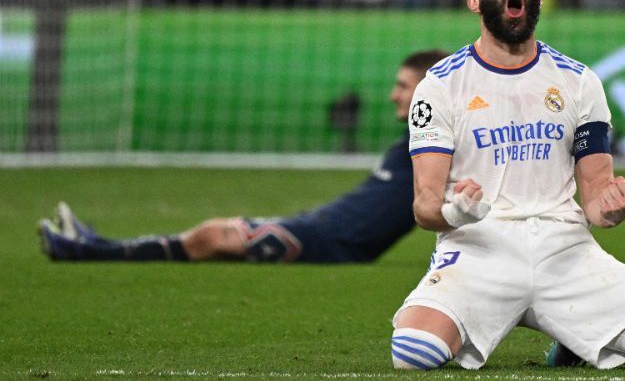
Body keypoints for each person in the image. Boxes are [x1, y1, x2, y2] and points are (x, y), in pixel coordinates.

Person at [389, 0, 625, 372]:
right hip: (479, 250)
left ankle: (577, 344)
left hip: (565, 250)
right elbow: (424, 205)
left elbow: (596, 194)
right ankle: (585, 340)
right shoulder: (441, 85)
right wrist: (455, 210)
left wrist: (611, 209)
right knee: (414, 354)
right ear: (473, 0)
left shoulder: (578, 81)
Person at [37, 49, 449, 264]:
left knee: (212, 235)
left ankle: (90, 250)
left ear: (428, 89)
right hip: (319, 227)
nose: (393, 94)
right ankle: (96, 245)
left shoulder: (439, 143)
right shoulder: (413, 139)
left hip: (332, 244)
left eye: (402, 85)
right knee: (212, 242)